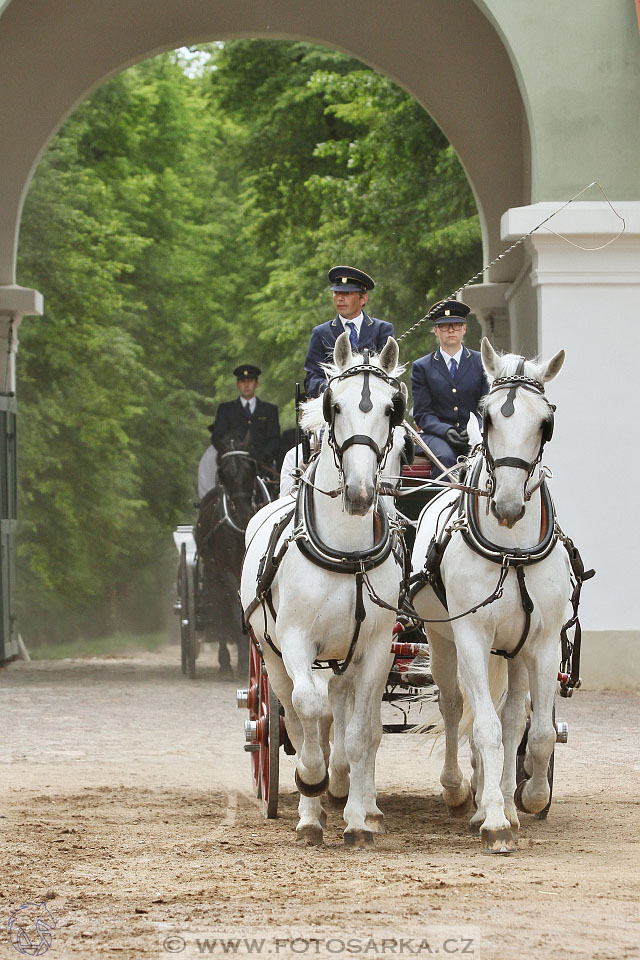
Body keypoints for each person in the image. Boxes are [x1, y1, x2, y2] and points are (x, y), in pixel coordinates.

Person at [410, 299, 488, 478]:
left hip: (476, 432)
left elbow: (485, 406)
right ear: (436, 331)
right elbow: (422, 414)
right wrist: (446, 430)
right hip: (437, 435)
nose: (451, 330)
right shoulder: (422, 367)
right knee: (444, 457)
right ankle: (446, 505)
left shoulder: (481, 362)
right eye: (444, 326)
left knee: (487, 458)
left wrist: (474, 429)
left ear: (464, 329)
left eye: (456, 325)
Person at [304, 265, 395, 398]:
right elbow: (312, 380)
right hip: (334, 407)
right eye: (336, 293)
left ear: (363, 299)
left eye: (347, 293)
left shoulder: (382, 329)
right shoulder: (320, 333)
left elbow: (389, 374)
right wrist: (334, 388)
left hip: (373, 402)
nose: (339, 299)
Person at [203, 364, 280, 493]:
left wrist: (263, 456)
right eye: (243, 381)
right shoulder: (226, 410)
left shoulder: (269, 410)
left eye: (250, 381)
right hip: (233, 469)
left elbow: (275, 439)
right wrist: (230, 453)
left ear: (256, 384)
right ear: (238, 384)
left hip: (261, 468)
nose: (246, 385)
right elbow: (217, 437)